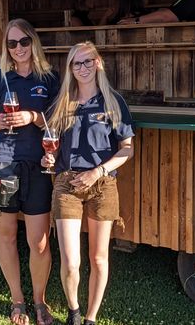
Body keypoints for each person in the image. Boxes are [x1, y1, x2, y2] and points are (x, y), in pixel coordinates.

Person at [42, 42, 135, 325]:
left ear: (98, 63)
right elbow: (51, 145)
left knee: (98, 258)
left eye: (87, 62)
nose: (82, 68)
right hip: (67, 182)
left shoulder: (112, 101)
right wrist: (48, 158)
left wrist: (98, 172)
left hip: (103, 183)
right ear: (69, 69)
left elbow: (127, 148)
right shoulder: (62, 102)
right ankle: (73, 311)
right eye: (76, 63)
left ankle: (91, 318)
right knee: (71, 261)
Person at [0, 18, 59, 325]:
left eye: (23, 41)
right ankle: (17, 301)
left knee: (39, 240)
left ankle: (40, 301)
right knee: (7, 235)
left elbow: (58, 121)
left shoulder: (50, 78)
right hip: (4, 162)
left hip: (38, 165)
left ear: (33, 42)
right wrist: (0, 123)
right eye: (11, 44)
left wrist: (32, 116)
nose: (18, 49)